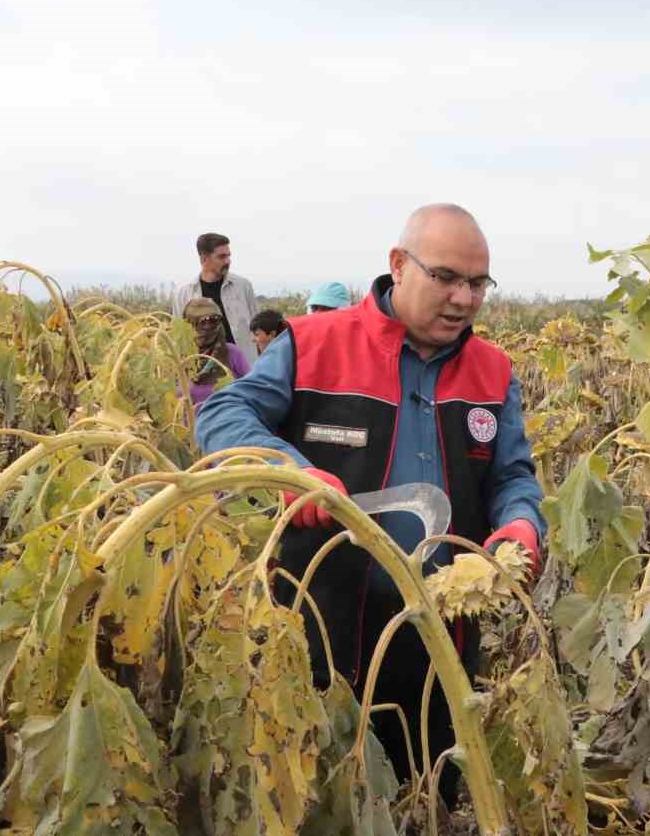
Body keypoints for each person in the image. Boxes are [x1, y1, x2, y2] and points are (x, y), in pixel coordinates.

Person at [196, 203, 545, 800]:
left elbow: (512, 474)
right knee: (322, 791)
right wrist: (292, 471)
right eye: (445, 277)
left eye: (477, 283)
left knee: (426, 785)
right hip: (320, 625)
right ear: (398, 266)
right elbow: (222, 413)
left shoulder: (492, 371)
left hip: (440, 631)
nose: (463, 298)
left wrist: (520, 523)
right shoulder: (313, 344)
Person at [172, 233, 260, 364]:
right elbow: (179, 337)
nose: (227, 261)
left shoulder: (243, 286)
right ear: (204, 259)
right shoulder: (183, 293)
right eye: (221, 257)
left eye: (228, 256)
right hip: (203, 370)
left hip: (243, 368)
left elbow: (258, 327)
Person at [180, 298, 249, 408]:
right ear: (188, 324)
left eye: (213, 320)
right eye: (201, 322)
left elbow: (251, 389)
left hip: (225, 422)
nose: (207, 326)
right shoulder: (176, 356)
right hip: (184, 424)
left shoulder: (232, 353)